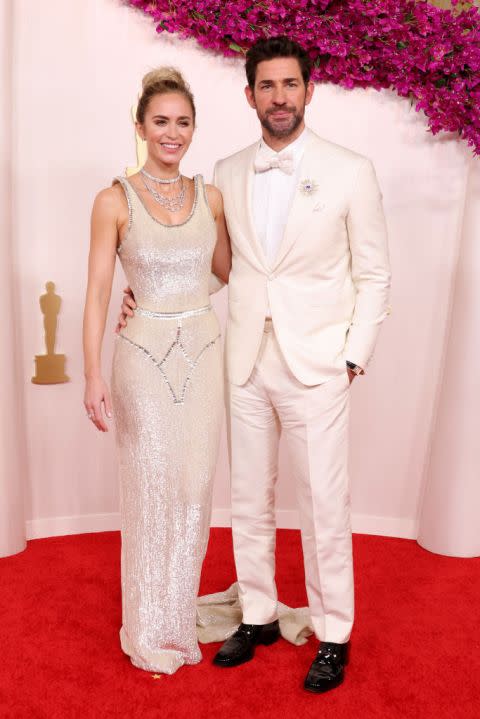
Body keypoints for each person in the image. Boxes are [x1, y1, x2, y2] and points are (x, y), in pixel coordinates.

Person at [119, 36, 391, 693]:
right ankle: (261, 612)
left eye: (289, 84)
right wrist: (152, 294)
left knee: (325, 502)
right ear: (249, 95)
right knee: (250, 499)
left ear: (308, 90)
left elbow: (375, 274)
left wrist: (352, 355)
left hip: (319, 362)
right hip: (241, 359)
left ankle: (333, 632)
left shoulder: (351, 169)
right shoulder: (227, 171)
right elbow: (225, 269)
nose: (279, 97)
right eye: (266, 86)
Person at [82, 67, 231, 674]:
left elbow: (225, 271)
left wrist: (178, 296)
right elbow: (95, 292)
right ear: (140, 126)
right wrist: (92, 374)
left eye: (183, 122)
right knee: (150, 488)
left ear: (194, 128)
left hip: (203, 351)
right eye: (161, 122)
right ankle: (149, 627)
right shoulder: (112, 199)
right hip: (140, 361)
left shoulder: (212, 196)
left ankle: (175, 612)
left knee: (194, 486)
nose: (173, 134)